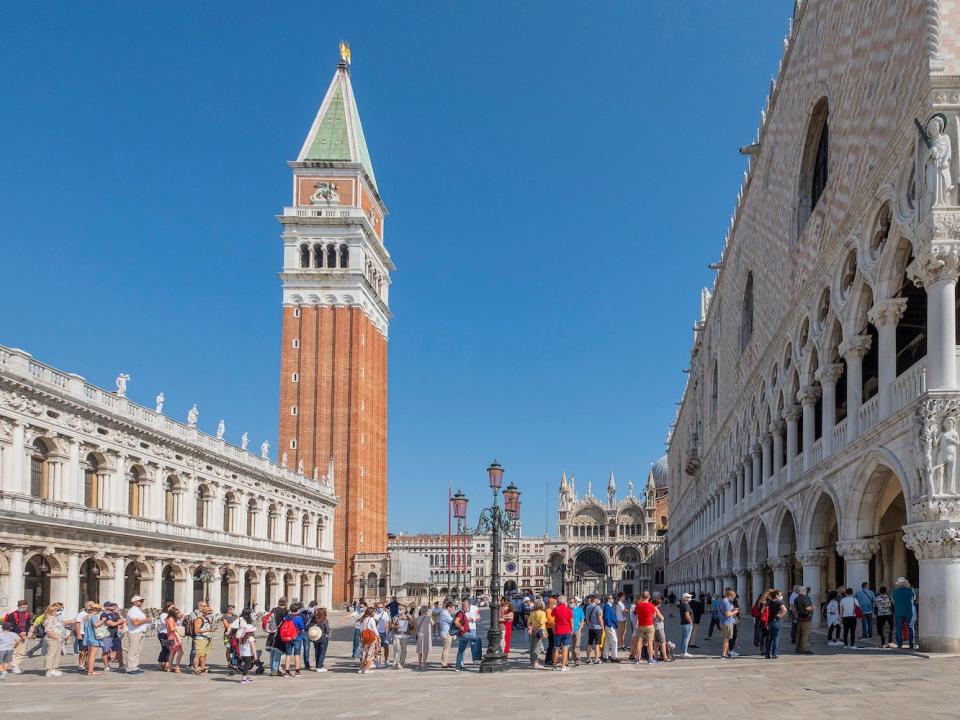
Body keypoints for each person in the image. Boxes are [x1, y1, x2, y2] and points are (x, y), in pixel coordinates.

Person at [453, 599, 481, 672]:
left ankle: (459, 666)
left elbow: (478, 618)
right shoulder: (461, 612)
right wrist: (461, 627)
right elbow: (456, 621)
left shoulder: (475, 608)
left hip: (472, 628)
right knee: (477, 640)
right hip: (464, 632)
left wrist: (473, 619)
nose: (466, 607)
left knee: (465, 648)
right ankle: (476, 659)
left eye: (466, 605)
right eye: (464, 605)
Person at [124, 595, 150, 674]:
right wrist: (146, 619)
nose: (142, 602)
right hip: (134, 632)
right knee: (133, 650)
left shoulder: (138, 610)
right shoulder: (133, 610)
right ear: (134, 602)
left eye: (142, 601)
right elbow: (135, 622)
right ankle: (130, 667)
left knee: (138, 650)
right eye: (140, 601)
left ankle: (134, 666)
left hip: (140, 632)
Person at [5, 600, 31, 674]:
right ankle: (12, 666)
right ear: (18, 606)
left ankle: (15, 666)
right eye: (22, 607)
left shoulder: (27, 614)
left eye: (25, 607)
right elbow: (13, 625)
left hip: (23, 634)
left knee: (21, 651)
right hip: (14, 635)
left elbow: (28, 624)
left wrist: (25, 632)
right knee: (13, 651)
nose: (24, 608)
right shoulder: (12, 615)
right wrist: (20, 632)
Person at [280, 602, 306, 676]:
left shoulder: (287, 617)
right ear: (297, 610)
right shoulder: (299, 618)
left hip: (288, 638)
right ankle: (297, 671)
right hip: (297, 637)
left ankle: (287, 671)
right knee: (297, 654)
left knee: (288, 654)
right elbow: (302, 628)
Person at [892, 577, 917, 650]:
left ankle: (899, 644)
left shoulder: (895, 591)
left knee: (898, 628)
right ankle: (911, 644)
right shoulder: (910, 590)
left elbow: (893, 600)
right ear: (905, 583)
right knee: (910, 627)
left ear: (898, 584)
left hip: (899, 611)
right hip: (909, 611)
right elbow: (914, 598)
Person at [632, 591, 657, 664]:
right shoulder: (651, 605)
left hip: (641, 625)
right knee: (650, 642)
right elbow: (654, 616)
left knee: (639, 642)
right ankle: (650, 659)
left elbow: (635, 612)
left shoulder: (638, 605)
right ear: (649, 597)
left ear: (642, 597)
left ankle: (637, 659)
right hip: (650, 625)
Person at [191, 601, 215, 675]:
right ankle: (195, 669)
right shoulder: (199, 619)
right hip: (200, 639)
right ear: (204, 613)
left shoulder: (206, 619)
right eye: (208, 613)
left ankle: (202, 668)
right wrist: (208, 630)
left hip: (206, 639)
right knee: (198, 655)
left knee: (204, 655)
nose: (210, 614)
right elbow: (196, 630)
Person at [99, 601, 124, 671]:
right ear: (106, 607)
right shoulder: (104, 614)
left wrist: (118, 622)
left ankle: (121, 664)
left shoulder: (115, 614)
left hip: (115, 634)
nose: (114, 606)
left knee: (119, 650)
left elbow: (119, 622)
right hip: (107, 635)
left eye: (114, 605)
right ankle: (106, 666)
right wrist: (119, 621)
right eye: (111, 605)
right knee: (106, 650)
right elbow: (111, 624)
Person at [42, 603, 65, 677]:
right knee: (51, 654)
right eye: (57, 610)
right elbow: (48, 631)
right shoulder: (49, 618)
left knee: (57, 654)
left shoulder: (54, 618)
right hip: (52, 638)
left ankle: (54, 668)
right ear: (52, 611)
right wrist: (57, 637)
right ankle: (49, 670)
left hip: (58, 638)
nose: (59, 612)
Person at [763, 589, 787, 659]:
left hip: (768, 622)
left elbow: (762, 611)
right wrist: (781, 615)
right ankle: (774, 654)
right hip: (776, 621)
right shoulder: (779, 602)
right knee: (775, 638)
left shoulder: (768, 602)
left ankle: (767, 654)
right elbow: (785, 610)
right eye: (779, 595)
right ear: (776, 596)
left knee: (769, 638)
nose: (780, 596)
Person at [235, 610, 257, 684]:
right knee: (247, 666)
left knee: (246, 665)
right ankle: (243, 678)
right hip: (248, 654)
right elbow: (253, 648)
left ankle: (246, 676)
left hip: (242, 654)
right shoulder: (251, 638)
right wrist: (255, 655)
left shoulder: (242, 638)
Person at [83, 603, 106, 676]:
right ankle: (90, 671)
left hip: (89, 636)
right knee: (92, 655)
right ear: (98, 610)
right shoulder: (95, 616)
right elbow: (96, 625)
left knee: (89, 654)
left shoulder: (88, 616)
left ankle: (88, 668)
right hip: (94, 637)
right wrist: (103, 620)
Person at [552, 595, 573, 672]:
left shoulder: (556, 609)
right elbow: (571, 621)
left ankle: (554, 666)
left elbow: (552, 615)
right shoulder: (568, 610)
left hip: (558, 630)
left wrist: (554, 606)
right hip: (567, 630)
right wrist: (571, 629)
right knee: (565, 649)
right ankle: (563, 666)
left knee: (556, 648)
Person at [719, 588, 740, 659]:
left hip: (723, 622)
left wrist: (732, 610)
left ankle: (727, 653)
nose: (733, 598)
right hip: (728, 622)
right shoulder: (727, 603)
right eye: (733, 597)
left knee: (726, 639)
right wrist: (735, 612)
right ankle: (724, 654)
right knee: (727, 639)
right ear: (731, 596)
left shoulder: (722, 601)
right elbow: (728, 614)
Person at [526, 599, 547, 669]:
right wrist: (535, 628)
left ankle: (532, 662)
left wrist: (530, 629)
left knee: (532, 647)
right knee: (537, 647)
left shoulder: (532, 613)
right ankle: (535, 663)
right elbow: (541, 623)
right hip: (539, 631)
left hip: (533, 632)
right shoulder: (542, 613)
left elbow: (528, 623)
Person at [358, 607, 379, 674]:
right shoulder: (371, 619)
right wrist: (378, 636)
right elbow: (374, 629)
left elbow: (361, 629)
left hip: (364, 638)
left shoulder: (363, 619)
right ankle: (367, 669)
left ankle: (361, 668)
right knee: (370, 654)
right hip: (371, 638)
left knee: (364, 653)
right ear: (372, 613)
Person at [793, 587, 814, 654]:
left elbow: (795, 609)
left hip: (800, 618)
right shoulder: (805, 598)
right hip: (806, 618)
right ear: (803, 591)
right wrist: (813, 607)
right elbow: (807, 608)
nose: (806, 591)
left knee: (799, 634)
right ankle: (803, 649)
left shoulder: (796, 599)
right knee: (805, 634)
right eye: (805, 590)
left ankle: (798, 648)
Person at [584, 596, 603, 665]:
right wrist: (602, 626)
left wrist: (589, 625)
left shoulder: (588, 607)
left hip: (591, 628)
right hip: (597, 628)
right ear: (594, 600)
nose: (598, 600)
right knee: (597, 644)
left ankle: (588, 658)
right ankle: (596, 659)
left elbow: (587, 618)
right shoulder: (598, 608)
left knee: (589, 643)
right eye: (597, 599)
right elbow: (600, 618)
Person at [310, 607, 330, 672]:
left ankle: (317, 666)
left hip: (315, 638)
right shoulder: (325, 620)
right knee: (322, 653)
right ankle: (319, 667)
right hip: (323, 638)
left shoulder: (315, 620)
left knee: (317, 652)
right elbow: (327, 630)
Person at [165, 607, 184, 673]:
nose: (178, 614)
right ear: (173, 613)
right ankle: (177, 667)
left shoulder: (170, 618)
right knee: (180, 652)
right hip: (173, 637)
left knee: (172, 652)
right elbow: (172, 628)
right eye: (177, 613)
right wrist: (178, 629)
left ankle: (169, 667)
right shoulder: (171, 619)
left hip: (169, 636)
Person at [221, 604, 239, 673]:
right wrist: (234, 624)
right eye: (232, 609)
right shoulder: (224, 617)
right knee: (228, 648)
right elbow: (227, 625)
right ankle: (229, 661)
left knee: (235, 648)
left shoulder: (235, 616)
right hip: (227, 635)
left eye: (233, 609)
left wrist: (232, 624)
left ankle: (235, 661)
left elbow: (239, 623)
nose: (233, 611)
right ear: (228, 609)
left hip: (235, 634)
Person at [602, 595, 619, 662]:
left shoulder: (608, 606)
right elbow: (606, 617)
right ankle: (614, 657)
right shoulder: (608, 606)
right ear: (608, 599)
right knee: (614, 640)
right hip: (610, 626)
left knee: (607, 641)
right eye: (612, 598)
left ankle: (605, 656)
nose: (613, 599)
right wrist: (610, 625)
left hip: (609, 625)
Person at [374, 602, 391, 667]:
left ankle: (386, 660)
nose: (380, 608)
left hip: (384, 632)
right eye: (378, 607)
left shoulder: (385, 613)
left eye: (381, 607)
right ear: (376, 607)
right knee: (378, 647)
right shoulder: (374, 614)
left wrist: (387, 632)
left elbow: (387, 623)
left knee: (386, 646)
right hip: (377, 632)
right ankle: (379, 661)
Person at [439, 601, 455, 668]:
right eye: (452, 608)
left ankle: (445, 662)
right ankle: (444, 663)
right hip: (446, 633)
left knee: (446, 648)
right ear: (449, 607)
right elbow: (452, 621)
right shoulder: (445, 614)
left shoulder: (445, 613)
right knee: (446, 649)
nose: (453, 610)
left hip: (445, 632)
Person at [678, 593, 694, 658]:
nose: (689, 598)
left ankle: (682, 652)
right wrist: (691, 622)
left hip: (683, 623)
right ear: (684, 598)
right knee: (686, 638)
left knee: (684, 638)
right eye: (688, 597)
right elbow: (687, 615)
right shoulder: (686, 605)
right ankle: (684, 652)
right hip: (687, 623)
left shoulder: (682, 604)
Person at [570, 596, 584, 667]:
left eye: (572, 602)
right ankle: (573, 657)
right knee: (571, 645)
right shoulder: (568, 610)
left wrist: (580, 628)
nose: (570, 604)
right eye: (570, 602)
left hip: (577, 629)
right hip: (569, 630)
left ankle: (577, 659)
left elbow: (582, 619)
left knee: (577, 645)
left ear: (575, 603)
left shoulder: (579, 610)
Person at [544, 596, 557, 666]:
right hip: (550, 629)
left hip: (554, 628)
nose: (556, 604)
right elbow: (550, 621)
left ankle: (552, 658)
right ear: (551, 603)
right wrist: (557, 623)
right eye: (554, 603)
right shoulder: (548, 610)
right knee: (551, 645)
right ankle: (548, 660)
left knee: (554, 645)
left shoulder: (553, 610)